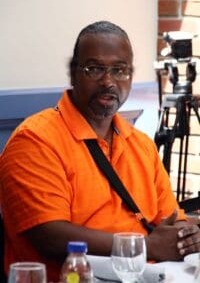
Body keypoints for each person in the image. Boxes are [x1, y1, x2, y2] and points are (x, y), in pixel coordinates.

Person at [0, 21, 199, 282]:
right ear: (73, 74)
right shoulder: (35, 139)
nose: (108, 81)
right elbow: (49, 235)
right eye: (94, 69)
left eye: (119, 70)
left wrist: (186, 237)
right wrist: (147, 246)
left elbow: (171, 218)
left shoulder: (141, 145)